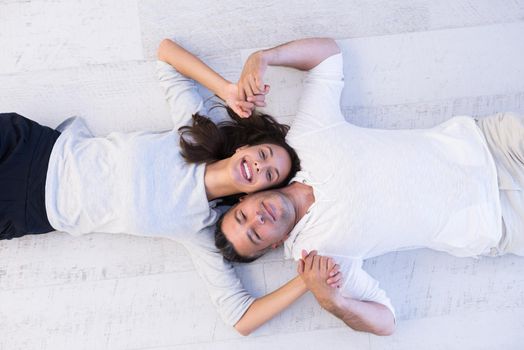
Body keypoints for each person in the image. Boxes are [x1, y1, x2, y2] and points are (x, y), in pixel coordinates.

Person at [0, 38, 344, 336]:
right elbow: (166, 54)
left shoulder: (200, 228)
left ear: (254, 195)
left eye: (268, 175)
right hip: (34, 149)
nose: (259, 165)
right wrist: (226, 89)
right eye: (264, 155)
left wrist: (305, 283)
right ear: (246, 147)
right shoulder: (195, 133)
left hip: (30, 207)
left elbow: (240, 317)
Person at [214, 37, 524, 335]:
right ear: (271, 245)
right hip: (499, 223)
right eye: (255, 234)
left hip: (490, 144)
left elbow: (327, 56)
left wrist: (263, 57)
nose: (258, 219)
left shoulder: (304, 141)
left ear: (244, 197)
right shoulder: (319, 259)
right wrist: (333, 301)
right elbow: (386, 321)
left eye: (244, 216)